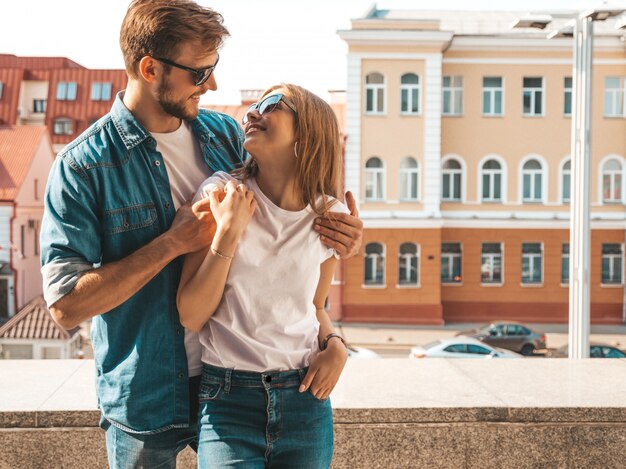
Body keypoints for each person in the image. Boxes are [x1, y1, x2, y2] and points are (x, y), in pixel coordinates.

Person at [39, 1, 363, 467]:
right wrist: (171, 242)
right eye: (199, 73)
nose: (212, 84)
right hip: (146, 399)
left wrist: (340, 239)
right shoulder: (83, 166)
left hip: (238, 387)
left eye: (213, 69)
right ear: (150, 69)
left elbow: (286, 270)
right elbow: (66, 304)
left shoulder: (225, 135)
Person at [177, 83, 350, 468]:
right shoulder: (221, 194)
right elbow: (191, 313)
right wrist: (228, 233)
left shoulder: (329, 216)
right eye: (252, 107)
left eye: (271, 105)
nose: (252, 114)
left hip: (305, 400)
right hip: (228, 402)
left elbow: (314, 307)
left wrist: (336, 345)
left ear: (306, 133)